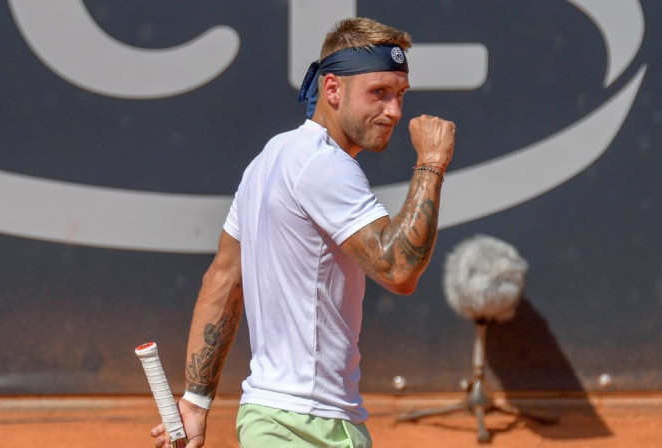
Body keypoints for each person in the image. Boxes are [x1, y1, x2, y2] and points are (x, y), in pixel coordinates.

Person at [151, 16, 455, 448]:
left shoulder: (269, 158)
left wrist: (197, 402)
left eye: (400, 94)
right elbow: (399, 269)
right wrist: (432, 163)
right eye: (379, 93)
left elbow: (222, 279)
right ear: (332, 89)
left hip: (268, 419)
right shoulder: (324, 165)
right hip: (310, 427)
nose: (395, 111)